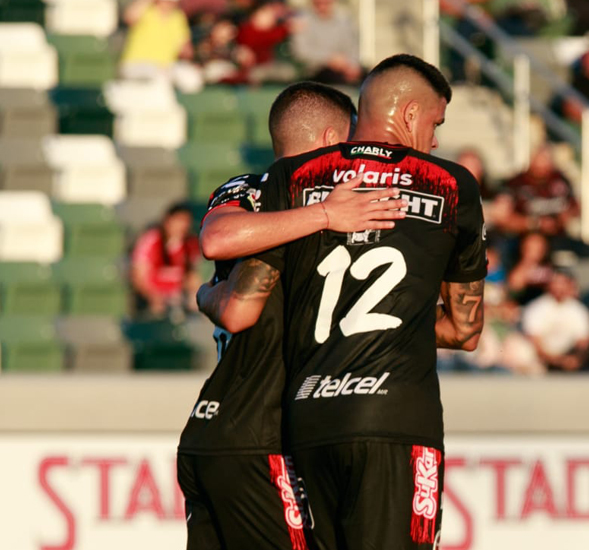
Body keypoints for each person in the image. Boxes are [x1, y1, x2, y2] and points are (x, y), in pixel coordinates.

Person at [222, 54, 486, 550]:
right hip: (395, 423)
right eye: (435, 123)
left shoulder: (291, 177)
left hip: (307, 421)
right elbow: (465, 330)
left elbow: (248, 295)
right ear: (409, 115)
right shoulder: (452, 186)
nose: (434, 139)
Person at [177, 82, 405, 550]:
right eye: (349, 141)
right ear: (328, 140)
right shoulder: (291, 199)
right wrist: (326, 213)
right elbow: (217, 241)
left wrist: (206, 296)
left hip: (211, 430)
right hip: (265, 436)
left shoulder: (248, 192)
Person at [129, 202, 201, 318]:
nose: (182, 225)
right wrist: (153, 296)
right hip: (153, 300)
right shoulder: (151, 240)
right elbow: (139, 276)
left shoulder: (191, 245)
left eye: (185, 221)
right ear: (167, 220)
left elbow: (193, 277)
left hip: (179, 299)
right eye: (178, 220)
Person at [521, 268, 589, 372]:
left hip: (569, 359)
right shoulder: (536, 308)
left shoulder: (579, 311)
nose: (559, 287)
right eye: (556, 283)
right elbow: (535, 344)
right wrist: (557, 361)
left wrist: (574, 359)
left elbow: (583, 342)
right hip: (540, 361)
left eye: (563, 283)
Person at [290, 0, 363, 84]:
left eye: (326, 2)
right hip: (315, 73)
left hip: (343, 70)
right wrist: (329, 59)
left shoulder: (344, 20)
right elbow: (301, 53)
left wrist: (352, 66)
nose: (322, 6)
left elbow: (352, 46)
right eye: (318, 3)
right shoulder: (301, 19)